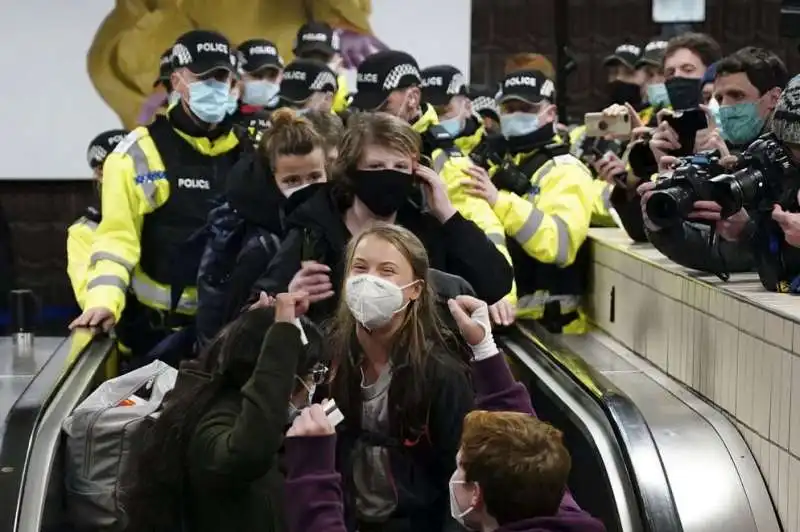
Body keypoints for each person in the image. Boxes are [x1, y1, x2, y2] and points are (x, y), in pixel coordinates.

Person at [283, 294, 606, 532]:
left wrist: (312, 468)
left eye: (460, 468)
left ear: (476, 495)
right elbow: (521, 431)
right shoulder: (561, 513)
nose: (455, 474)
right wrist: (484, 349)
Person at [70, 30, 251, 362]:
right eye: (204, 76)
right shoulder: (137, 154)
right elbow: (116, 240)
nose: (215, 85)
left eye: (222, 76)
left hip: (232, 332)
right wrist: (103, 301)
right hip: (155, 339)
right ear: (178, 79)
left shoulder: (250, 153)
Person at [252, 112, 514, 323]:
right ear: (351, 171)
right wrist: (287, 297)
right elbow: (253, 311)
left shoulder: (426, 231)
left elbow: (495, 284)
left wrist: (447, 214)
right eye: (376, 167)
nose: (389, 176)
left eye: (400, 167)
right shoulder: (314, 232)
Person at [123, 293, 329, 532]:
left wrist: (250, 332)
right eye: (312, 374)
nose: (313, 385)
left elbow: (217, 367)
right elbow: (248, 453)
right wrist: (282, 336)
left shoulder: (207, 397)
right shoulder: (215, 426)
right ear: (282, 375)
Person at [328, 223, 474, 532]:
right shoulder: (330, 357)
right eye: (360, 268)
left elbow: (460, 473)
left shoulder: (441, 374)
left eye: (387, 271)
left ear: (415, 289)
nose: (370, 281)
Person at [350, 51, 517, 320]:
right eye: (375, 166)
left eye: (381, 106)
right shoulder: (349, 147)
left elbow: (486, 232)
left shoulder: (446, 162)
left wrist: (503, 301)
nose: (371, 115)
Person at [640, 51, 790, 279]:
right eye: (719, 99)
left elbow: (741, 257)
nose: (726, 107)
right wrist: (661, 217)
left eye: (737, 96)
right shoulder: (718, 156)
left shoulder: (787, 160)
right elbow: (710, 249)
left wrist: (746, 230)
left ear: (774, 98)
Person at [465, 69, 594, 333]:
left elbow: (561, 245)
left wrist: (498, 201)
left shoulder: (565, 170)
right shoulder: (505, 161)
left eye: (525, 107)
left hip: (553, 330)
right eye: (508, 108)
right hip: (509, 321)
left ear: (550, 113)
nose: (514, 115)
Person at [195, 108, 329, 349]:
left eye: (314, 177)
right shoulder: (261, 246)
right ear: (271, 180)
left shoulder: (328, 224)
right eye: (292, 181)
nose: (306, 188)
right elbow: (229, 332)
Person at [68, 129, 129, 310]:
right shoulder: (84, 230)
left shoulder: (166, 214)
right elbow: (89, 299)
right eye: (105, 170)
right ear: (98, 175)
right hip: (122, 331)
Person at [420, 65, 483, 156]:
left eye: (440, 111)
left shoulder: (491, 152)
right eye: (425, 111)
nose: (432, 118)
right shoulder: (415, 149)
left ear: (467, 105)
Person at [293, 21, 351, 113]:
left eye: (323, 59)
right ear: (295, 60)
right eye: (308, 58)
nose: (316, 65)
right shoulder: (278, 103)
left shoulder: (352, 111)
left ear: (339, 61)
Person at [234, 38, 284, 132]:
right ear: (237, 75)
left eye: (272, 76)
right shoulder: (218, 114)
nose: (265, 82)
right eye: (257, 75)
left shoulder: (283, 119)